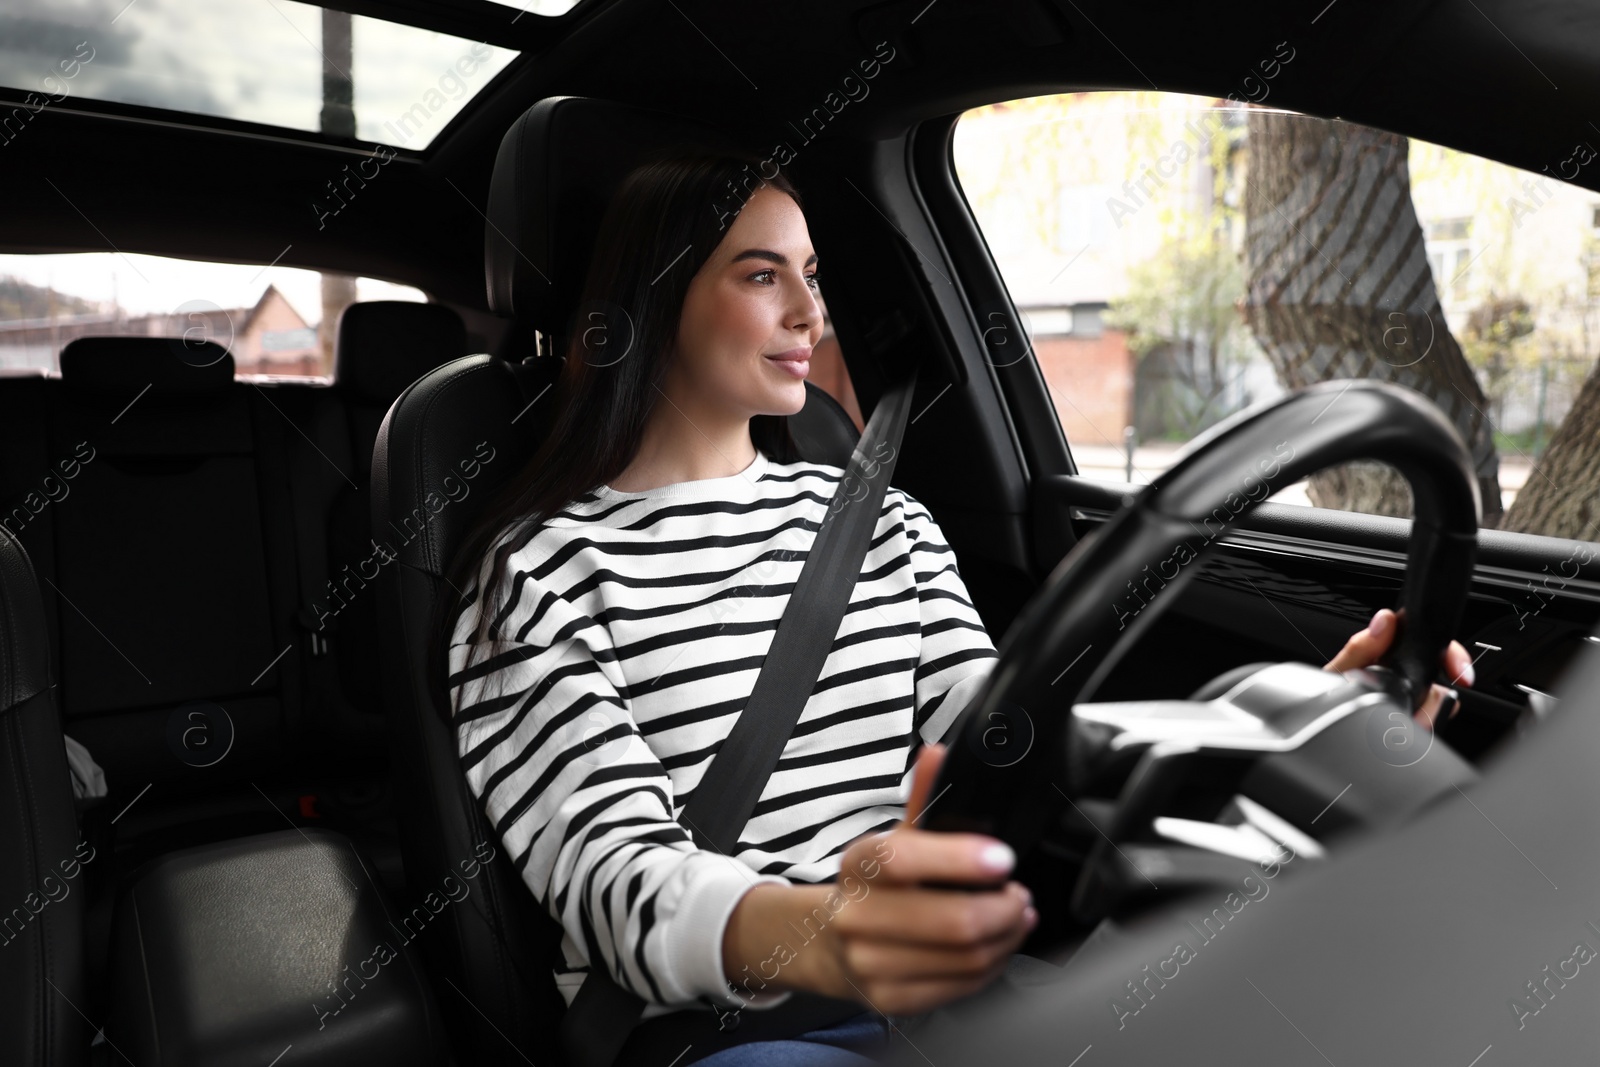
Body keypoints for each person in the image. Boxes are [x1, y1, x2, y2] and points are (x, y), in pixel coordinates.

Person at [440, 153, 1473, 1067]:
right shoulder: (539, 570)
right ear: (652, 299)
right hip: (732, 1030)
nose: (811, 313)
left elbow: (1003, 743)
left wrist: (1278, 741)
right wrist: (832, 933)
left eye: (812, 274)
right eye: (762, 274)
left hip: (953, 990)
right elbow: (615, 879)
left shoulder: (881, 521)